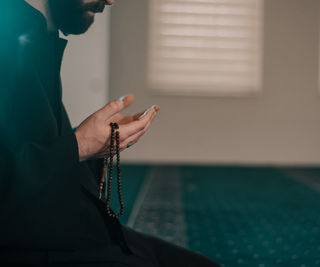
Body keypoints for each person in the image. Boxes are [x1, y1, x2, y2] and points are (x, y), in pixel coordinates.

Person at [0, 0, 221, 266]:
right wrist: (79, 146)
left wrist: (96, 143)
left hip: (79, 231)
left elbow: (29, 146)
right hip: (38, 247)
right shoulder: (10, 31)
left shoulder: (34, 33)